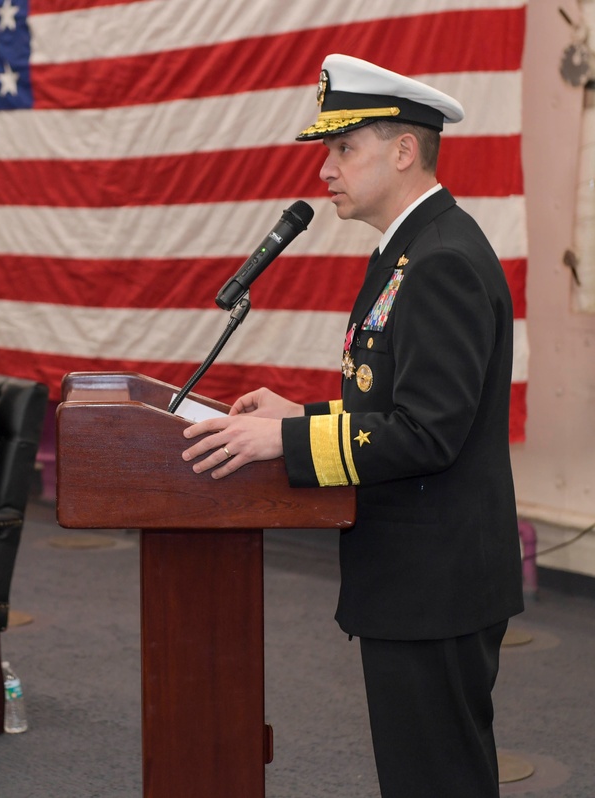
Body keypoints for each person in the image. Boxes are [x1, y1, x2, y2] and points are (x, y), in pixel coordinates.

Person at [181, 54, 524, 798]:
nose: (325, 170)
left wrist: (285, 442)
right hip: (417, 572)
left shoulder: (440, 261)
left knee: (438, 780)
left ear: (404, 151)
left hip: (436, 581)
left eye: (344, 148)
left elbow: (429, 433)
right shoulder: (408, 251)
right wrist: (299, 416)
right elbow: (393, 408)